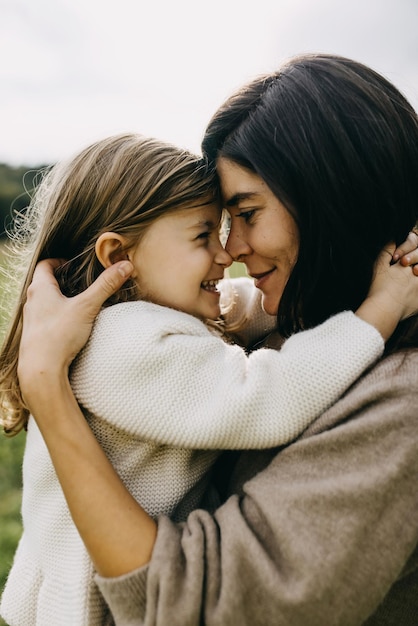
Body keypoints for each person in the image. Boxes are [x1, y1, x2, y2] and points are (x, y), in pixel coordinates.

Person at [6, 53, 418, 625]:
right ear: (119, 256)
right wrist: (379, 307)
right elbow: (264, 385)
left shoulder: (402, 402)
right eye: (213, 229)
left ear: (328, 199)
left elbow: (242, 316)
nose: (232, 251)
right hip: (92, 606)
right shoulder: (127, 340)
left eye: (246, 214)